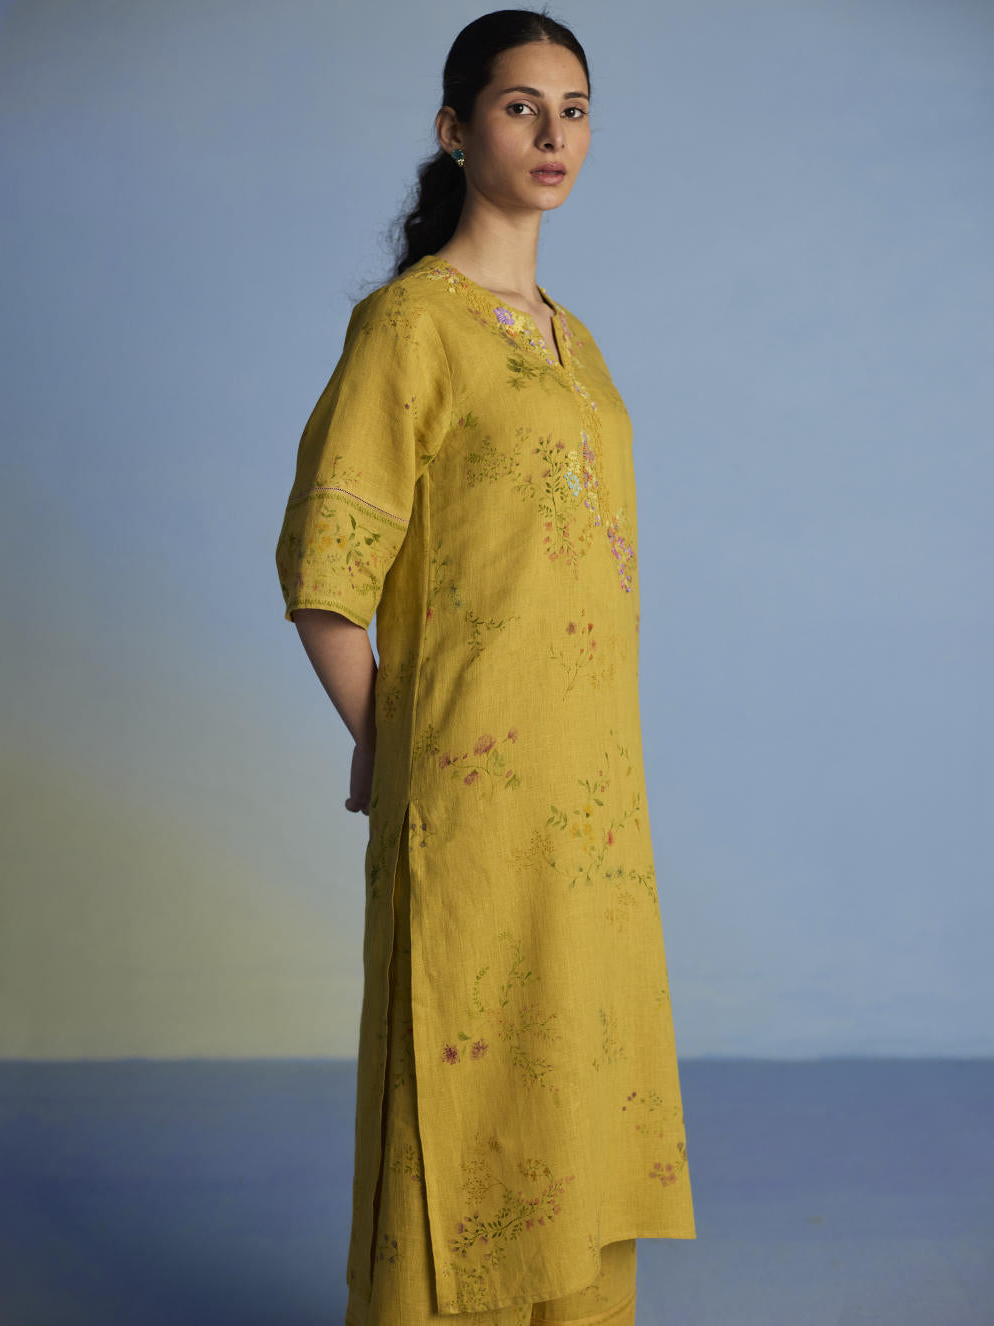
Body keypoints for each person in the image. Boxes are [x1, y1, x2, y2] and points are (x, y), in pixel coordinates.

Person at [274, 9, 696, 1323]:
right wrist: (388, 740)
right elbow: (328, 578)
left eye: (575, 109)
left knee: (579, 1082)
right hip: (470, 797)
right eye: (522, 106)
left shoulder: (579, 343)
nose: (553, 133)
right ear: (456, 129)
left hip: (594, 807)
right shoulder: (408, 328)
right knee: (464, 1078)